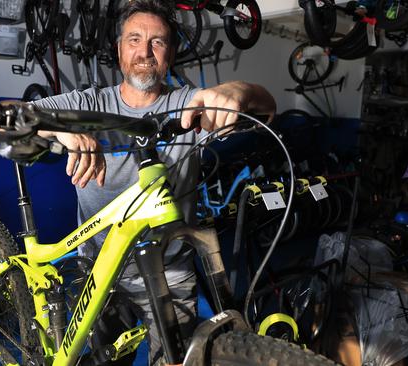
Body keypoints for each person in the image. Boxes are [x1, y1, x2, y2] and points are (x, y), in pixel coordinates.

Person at [30, 0, 276, 364]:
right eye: (134, 39)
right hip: (99, 269)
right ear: (118, 49)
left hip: (171, 268)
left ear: (170, 54)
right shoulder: (87, 104)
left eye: (157, 42)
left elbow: (267, 107)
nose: (144, 52)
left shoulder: (186, 106)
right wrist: (60, 130)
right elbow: (1, 118)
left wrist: (238, 91)